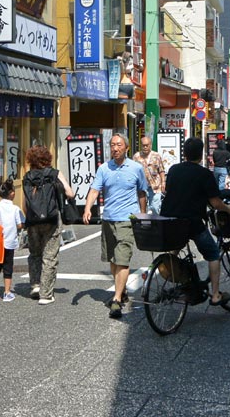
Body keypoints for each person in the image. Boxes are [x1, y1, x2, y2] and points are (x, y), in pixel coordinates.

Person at [161, 137, 230, 306]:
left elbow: (170, 190)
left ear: (184, 154)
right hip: (191, 221)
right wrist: (229, 209)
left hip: (170, 219)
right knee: (212, 254)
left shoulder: (173, 169)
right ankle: (216, 295)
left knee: (175, 248)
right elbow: (216, 202)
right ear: (201, 154)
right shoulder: (204, 174)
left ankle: (181, 280)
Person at [83, 133, 147, 319]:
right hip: (108, 219)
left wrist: (142, 216)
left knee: (123, 259)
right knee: (112, 259)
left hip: (127, 220)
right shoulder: (104, 168)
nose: (115, 148)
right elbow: (94, 190)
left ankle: (117, 299)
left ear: (126, 148)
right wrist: (88, 208)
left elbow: (141, 192)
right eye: (112, 145)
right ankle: (123, 289)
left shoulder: (136, 168)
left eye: (119, 145)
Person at [23, 145, 74, 305]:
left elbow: (25, 203)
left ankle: (36, 285)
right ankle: (46, 294)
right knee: (50, 255)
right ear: (48, 158)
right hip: (51, 219)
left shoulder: (27, 176)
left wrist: (29, 217)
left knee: (34, 254)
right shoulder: (55, 173)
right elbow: (70, 193)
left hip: (32, 220)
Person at [0, 178, 26, 302]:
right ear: (12, 193)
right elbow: (20, 225)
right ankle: (7, 292)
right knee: (8, 266)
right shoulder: (15, 209)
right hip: (9, 241)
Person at [132, 136, 166, 214]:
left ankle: (155, 224)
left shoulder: (156, 156)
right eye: (143, 145)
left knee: (154, 207)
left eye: (147, 145)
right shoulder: (136, 157)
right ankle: (144, 223)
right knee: (142, 208)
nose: (145, 147)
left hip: (155, 186)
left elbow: (161, 170)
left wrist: (163, 182)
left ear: (150, 145)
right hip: (141, 187)